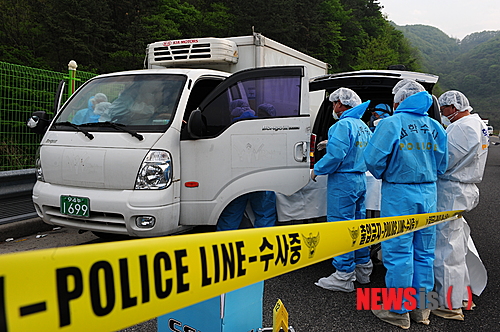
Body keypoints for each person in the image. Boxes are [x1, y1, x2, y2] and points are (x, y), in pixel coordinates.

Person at [364, 80, 448, 329]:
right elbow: (443, 163)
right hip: (429, 192)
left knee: (399, 251)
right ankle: (421, 309)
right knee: (424, 251)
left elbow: (373, 159)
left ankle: (397, 310)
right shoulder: (435, 126)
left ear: (399, 100)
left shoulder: (391, 123)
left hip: (400, 193)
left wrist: (386, 172)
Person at [432, 90, 489, 321]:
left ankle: (449, 304)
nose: (443, 114)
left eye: (444, 109)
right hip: (462, 188)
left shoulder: (462, 127)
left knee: (446, 249)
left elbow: (445, 160)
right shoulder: (477, 123)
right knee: (457, 244)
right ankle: (463, 296)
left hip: (452, 190)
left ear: (454, 106)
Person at [311, 87, 373, 292]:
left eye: (334, 103)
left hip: (343, 181)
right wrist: (333, 144)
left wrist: (317, 169)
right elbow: (360, 148)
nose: (333, 107)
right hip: (360, 180)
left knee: (341, 227)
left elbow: (337, 156)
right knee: (358, 225)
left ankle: (343, 275)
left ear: (340, 104)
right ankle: (364, 268)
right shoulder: (362, 126)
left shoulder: (342, 125)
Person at [216, 99, 276, 231]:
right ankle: (263, 246)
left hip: (237, 178)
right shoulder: (262, 125)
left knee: (231, 215)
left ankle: (224, 246)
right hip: (262, 177)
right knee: (264, 214)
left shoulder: (230, 127)